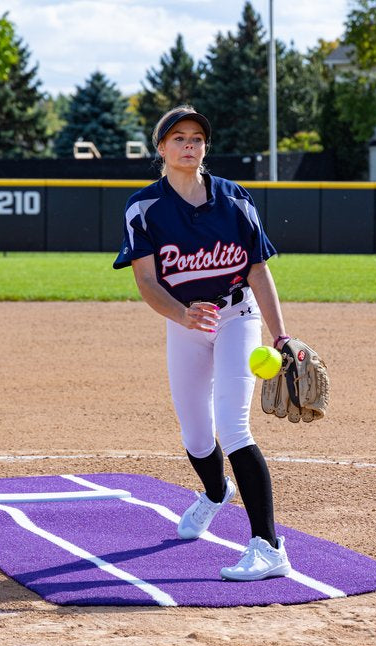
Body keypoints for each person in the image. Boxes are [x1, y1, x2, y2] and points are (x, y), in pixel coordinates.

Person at [112, 105, 293, 581]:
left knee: (233, 427)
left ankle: (268, 546)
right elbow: (148, 282)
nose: (188, 144)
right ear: (161, 148)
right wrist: (181, 313)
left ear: (205, 148)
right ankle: (215, 493)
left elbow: (258, 269)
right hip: (186, 321)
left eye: (196, 138)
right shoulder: (143, 207)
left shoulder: (234, 199)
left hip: (238, 314)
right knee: (195, 433)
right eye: (178, 138)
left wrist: (282, 336)